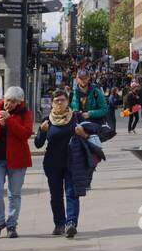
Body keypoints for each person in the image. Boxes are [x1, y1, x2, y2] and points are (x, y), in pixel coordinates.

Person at [35, 90, 99, 239]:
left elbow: (93, 133)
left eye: (62, 100)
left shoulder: (75, 117)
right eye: (56, 100)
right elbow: (38, 144)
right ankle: (59, 224)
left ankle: (71, 223)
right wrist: (42, 131)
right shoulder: (47, 120)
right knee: (55, 196)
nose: (59, 103)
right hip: (52, 164)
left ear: (67, 102)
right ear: (51, 103)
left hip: (73, 162)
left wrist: (83, 133)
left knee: (71, 193)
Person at [0, 86, 34, 239]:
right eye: (7, 100)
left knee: (14, 194)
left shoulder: (25, 114)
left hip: (17, 160)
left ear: (19, 103)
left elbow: (25, 134)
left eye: (12, 101)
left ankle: (11, 225)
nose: (8, 104)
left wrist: (9, 121)